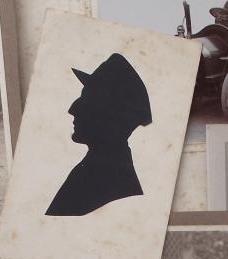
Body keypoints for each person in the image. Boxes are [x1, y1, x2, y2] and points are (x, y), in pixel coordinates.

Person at [45, 53, 152, 216]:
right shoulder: (103, 167)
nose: (73, 109)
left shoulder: (100, 176)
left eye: (87, 99)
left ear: (111, 117)